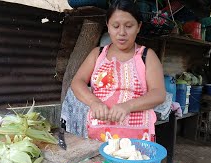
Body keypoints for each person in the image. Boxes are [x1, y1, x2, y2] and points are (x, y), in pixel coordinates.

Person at [70, 0, 166, 142]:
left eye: (129, 26)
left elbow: (158, 93)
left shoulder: (146, 56)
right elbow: (77, 82)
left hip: (137, 138)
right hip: (99, 135)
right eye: (115, 26)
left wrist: (128, 106)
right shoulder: (97, 54)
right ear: (108, 26)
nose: (122, 33)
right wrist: (94, 102)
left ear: (138, 27)